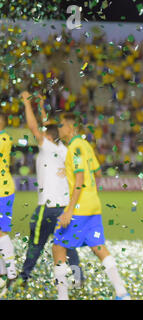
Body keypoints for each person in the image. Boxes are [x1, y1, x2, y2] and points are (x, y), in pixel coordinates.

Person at [52, 112, 129, 300]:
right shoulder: (85, 145)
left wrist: (69, 210)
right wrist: (69, 171)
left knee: (58, 247)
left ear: (71, 128)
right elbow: (97, 172)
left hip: (80, 208)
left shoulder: (74, 148)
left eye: (62, 125)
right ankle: (122, 292)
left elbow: (80, 178)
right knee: (98, 246)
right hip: (94, 206)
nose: (59, 129)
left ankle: (62, 297)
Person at [12, 91, 84, 289]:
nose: (40, 136)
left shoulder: (47, 147)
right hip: (64, 208)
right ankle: (78, 280)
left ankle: (23, 277)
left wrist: (27, 103)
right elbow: (46, 126)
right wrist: (42, 106)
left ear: (48, 138)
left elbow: (35, 127)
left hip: (47, 207)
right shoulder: (65, 150)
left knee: (35, 244)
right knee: (68, 245)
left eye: (44, 135)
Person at [0, 112, 17, 298]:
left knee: (1, 232)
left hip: (2, 190)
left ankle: (12, 272)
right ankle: (3, 272)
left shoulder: (3, 138)